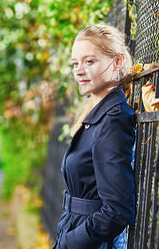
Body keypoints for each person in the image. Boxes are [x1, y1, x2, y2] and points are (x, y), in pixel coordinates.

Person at [53, 24, 136, 249]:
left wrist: (72, 241)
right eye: (75, 63)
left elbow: (118, 210)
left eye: (89, 61)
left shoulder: (113, 121)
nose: (79, 70)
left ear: (117, 61)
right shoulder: (97, 114)